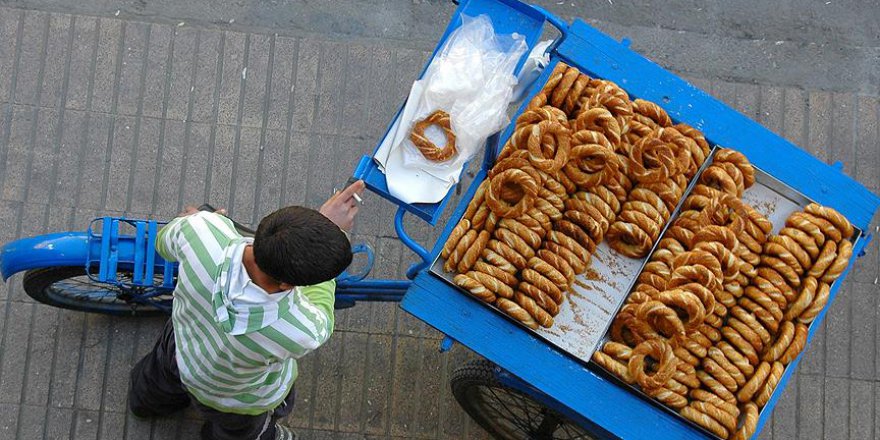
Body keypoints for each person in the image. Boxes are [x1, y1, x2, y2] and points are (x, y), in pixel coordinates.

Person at [128, 181, 366, 440]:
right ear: (287, 283)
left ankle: (144, 404)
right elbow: (321, 312)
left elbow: (164, 242)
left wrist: (205, 221)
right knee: (239, 433)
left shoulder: (201, 231)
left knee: (157, 380)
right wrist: (330, 235)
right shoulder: (301, 329)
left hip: (182, 350)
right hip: (237, 400)